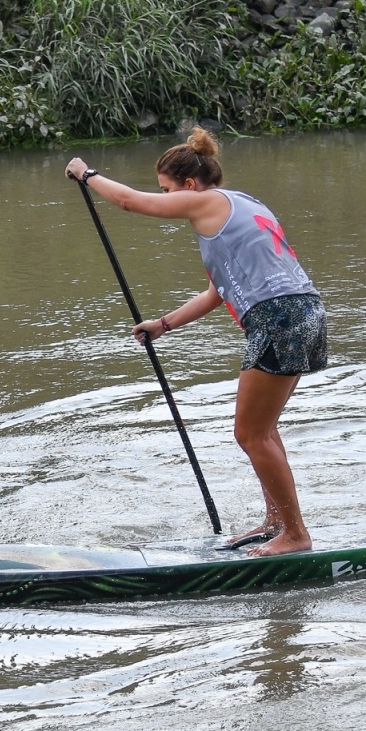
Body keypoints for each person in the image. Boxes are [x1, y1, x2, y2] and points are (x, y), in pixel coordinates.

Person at [66, 128, 327, 556]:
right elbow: (217, 292)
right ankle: (277, 522)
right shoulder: (242, 206)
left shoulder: (207, 201)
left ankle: (296, 536)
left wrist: (86, 174)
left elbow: (131, 201)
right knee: (263, 430)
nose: (164, 197)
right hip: (302, 312)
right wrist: (163, 325)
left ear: (189, 185)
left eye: (167, 190)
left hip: (279, 316)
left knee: (249, 433)